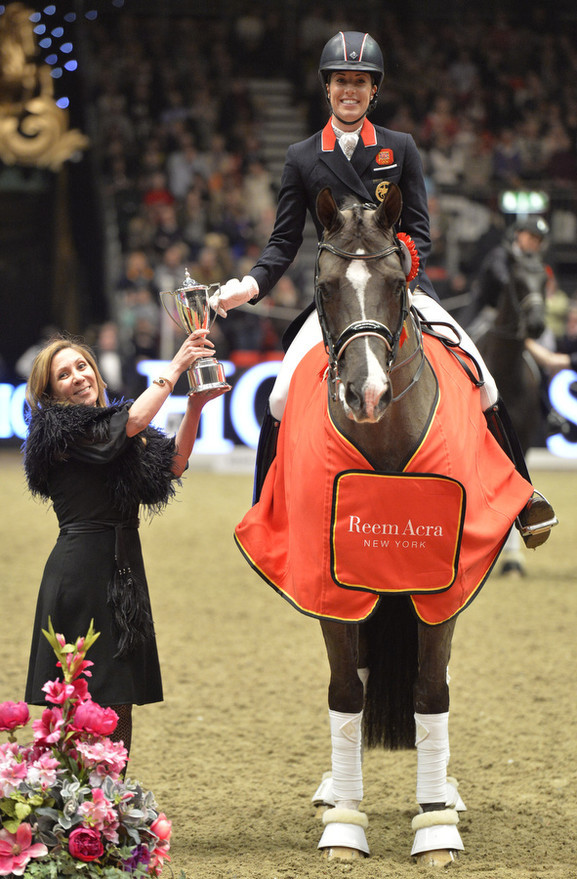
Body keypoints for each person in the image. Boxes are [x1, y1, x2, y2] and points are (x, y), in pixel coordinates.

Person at [210, 30, 555, 542]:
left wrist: (402, 265)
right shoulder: (302, 157)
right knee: (281, 395)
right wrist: (250, 285)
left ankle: (522, 495)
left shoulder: (401, 148)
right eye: (341, 81)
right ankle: (267, 507)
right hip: (339, 297)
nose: (350, 89)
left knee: (483, 375)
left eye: (360, 82)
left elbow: (419, 231)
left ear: (375, 90)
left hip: (400, 286)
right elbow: (282, 243)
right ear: (327, 87)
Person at [22, 330, 228, 758]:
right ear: (49, 391)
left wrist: (193, 406)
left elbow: (171, 465)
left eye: (82, 366)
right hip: (79, 575)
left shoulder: (112, 432)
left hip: (122, 573)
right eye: (64, 374)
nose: (78, 377)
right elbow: (131, 424)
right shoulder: (55, 427)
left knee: (119, 697)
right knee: (75, 697)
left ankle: (107, 804)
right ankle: (70, 803)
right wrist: (174, 368)